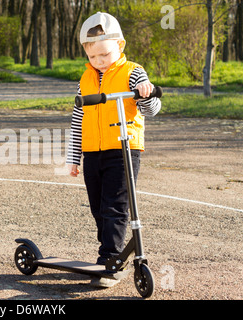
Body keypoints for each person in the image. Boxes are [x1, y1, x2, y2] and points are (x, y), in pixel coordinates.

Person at [66, 12, 161, 287]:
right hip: (93, 153)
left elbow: (153, 110)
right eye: (93, 57)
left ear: (120, 45)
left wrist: (146, 91)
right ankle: (111, 254)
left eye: (105, 55)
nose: (99, 62)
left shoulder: (133, 72)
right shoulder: (85, 79)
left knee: (115, 207)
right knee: (98, 208)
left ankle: (110, 262)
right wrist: (74, 157)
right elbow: (77, 121)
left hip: (123, 150)